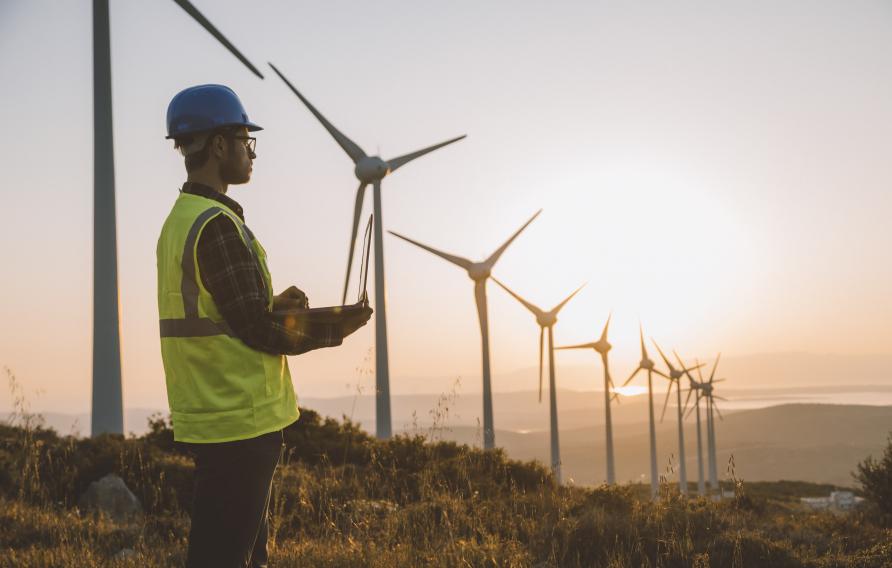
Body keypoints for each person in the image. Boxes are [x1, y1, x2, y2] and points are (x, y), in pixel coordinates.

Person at [156, 84, 372, 568]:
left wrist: (271, 301)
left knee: (236, 553)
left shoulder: (182, 221)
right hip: (241, 418)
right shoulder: (216, 225)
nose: (250, 153)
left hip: (214, 416)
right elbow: (256, 329)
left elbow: (215, 311)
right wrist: (336, 326)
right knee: (227, 558)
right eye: (244, 141)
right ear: (218, 146)